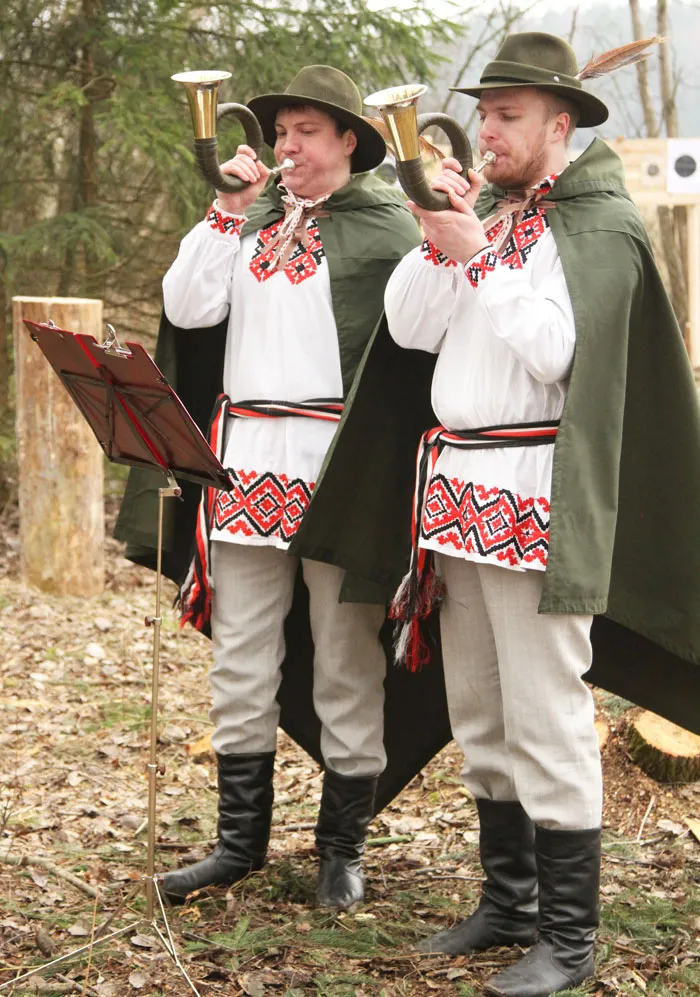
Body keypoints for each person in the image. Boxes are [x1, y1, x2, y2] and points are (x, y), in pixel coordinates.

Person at [384, 31, 700, 997]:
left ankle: (570, 937)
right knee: (479, 704)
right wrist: (443, 241)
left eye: (508, 116)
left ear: (560, 126)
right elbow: (407, 326)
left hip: (536, 493)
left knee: (546, 709)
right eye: (484, 113)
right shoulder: (498, 221)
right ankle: (508, 900)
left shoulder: (592, 227)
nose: (487, 131)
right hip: (459, 495)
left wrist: (481, 255)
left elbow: (558, 353)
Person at [144, 65, 420, 909]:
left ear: (348, 142)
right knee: (241, 655)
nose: (286, 147)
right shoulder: (247, 220)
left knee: (344, 659)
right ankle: (238, 844)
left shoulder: (387, 233)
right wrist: (226, 214)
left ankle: (341, 848)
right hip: (246, 461)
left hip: (337, 468)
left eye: (305, 132)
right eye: (281, 132)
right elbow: (187, 310)